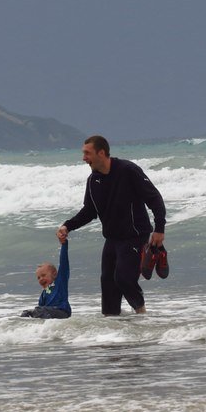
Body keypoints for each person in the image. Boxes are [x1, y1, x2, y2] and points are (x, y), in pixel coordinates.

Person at [56, 135, 166, 315]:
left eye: (87, 153)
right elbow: (89, 211)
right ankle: (111, 328)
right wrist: (67, 226)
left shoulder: (128, 170)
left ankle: (142, 315)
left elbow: (154, 198)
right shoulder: (93, 181)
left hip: (134, 236)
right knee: (108, 284)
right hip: (112, 239)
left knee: (123, 278)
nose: (84, 158)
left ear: (101, 152)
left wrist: (159, 228)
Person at [21, 238, 71, 319]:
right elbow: (40, 308)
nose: (40, 279)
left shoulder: (60, 282)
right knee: (26, 313)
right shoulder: (44, 294)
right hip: (48, 313)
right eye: (38, 278)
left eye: (43, 275)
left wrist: (64, 244)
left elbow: (64, 262)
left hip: (62, 312)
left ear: (54, 274)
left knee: (39, 310)